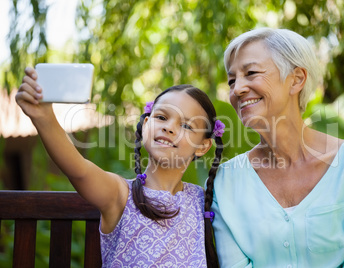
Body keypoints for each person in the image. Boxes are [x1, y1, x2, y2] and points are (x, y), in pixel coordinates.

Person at [210, 28, 344, 267]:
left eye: (251, 73)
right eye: (232, 80)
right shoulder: (225, 182)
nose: (236, 89)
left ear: (297, 79)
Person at [16, 69, 224, 267]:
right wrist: (44, 118)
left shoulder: (201, 200)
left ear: (203, 146)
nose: (169, 127)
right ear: (146, 125)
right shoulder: (120, 194)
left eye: (186, 125)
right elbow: (79, 171)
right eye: (161, 117)